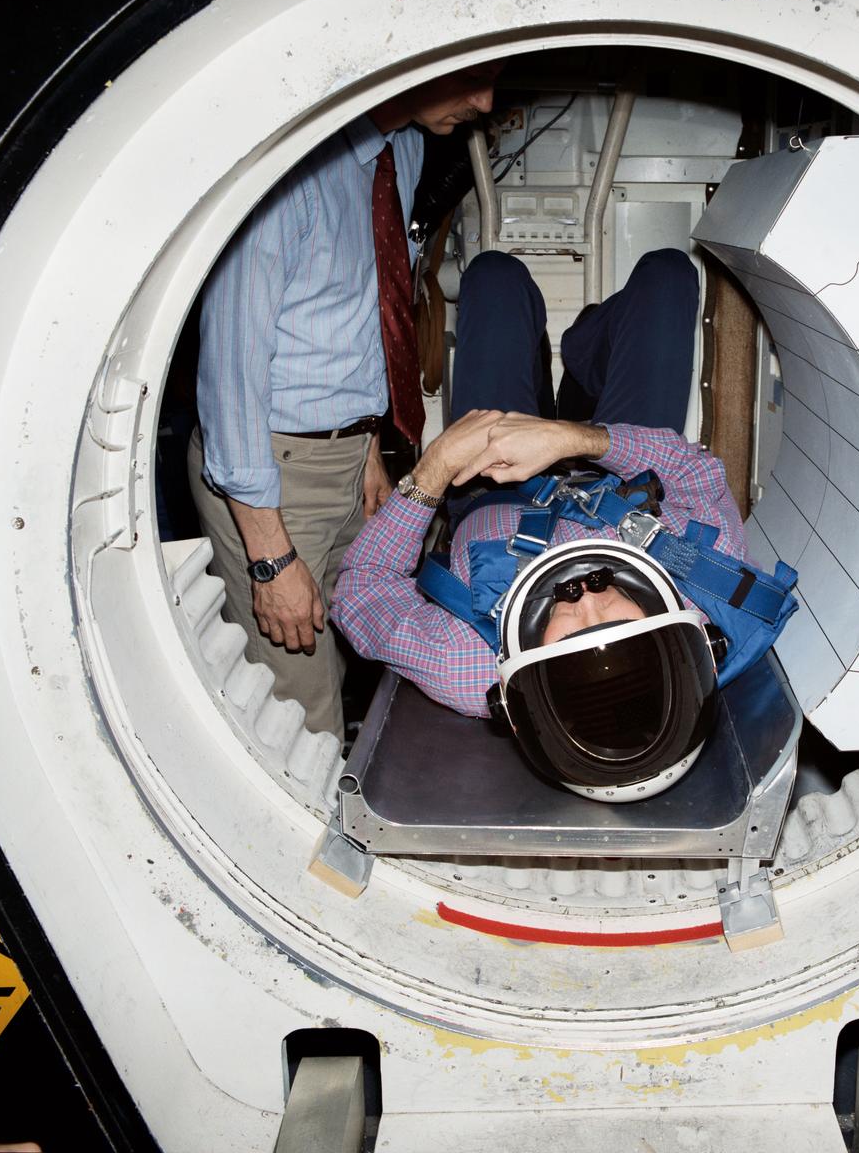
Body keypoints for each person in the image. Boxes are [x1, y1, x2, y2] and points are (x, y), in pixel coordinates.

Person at [331, 249, 798, 800]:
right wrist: (578, 438)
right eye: (621, 625)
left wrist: (434, 469)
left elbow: (360, 593)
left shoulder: (472, 665)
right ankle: (584, 359)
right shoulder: (702, 587)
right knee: (669, 274)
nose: (585, 599)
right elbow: (694, 472)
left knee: (495, 278)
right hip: (611, 470)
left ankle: (550, 368)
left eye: (571, 635)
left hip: (488, 483)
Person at [188, 64, 501, 741]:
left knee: (388, 631)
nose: (486, 101)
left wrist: (366, 448)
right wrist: (270, 557)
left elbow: (365, 309)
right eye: (473, 75)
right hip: (268, 471)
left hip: (347, 458)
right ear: (411, 60)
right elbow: (230, 375)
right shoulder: (288, 182)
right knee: (303, 713)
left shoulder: (403, 149)